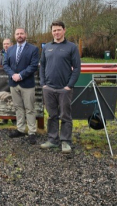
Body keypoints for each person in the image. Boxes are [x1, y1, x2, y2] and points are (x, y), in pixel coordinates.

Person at [39, 21, 81, 154]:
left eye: (58, 30)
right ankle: (52, 140)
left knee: (65, 115)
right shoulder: (46, 47)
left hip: (64, 89)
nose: (56, 33)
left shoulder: (71, 47)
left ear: (64, 30)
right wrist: (43, 84)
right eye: (54, 30)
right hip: (49, 88)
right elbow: (42, 66)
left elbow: (77, 68)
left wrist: (69, 86)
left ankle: (66, 142)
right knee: (52, 115)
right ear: (51, 32)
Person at [3, 28, 39, 144]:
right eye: (17, 34)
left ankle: (32, 132)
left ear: (26, 35)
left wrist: (21, 75)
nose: (19, 35)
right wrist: (13, 74)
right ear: (14, 35)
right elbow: (5, 64)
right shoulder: (10, 49)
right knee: (18, 107)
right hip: (13, 83)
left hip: (27, 84)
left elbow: (34, 66)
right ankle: (21, 129)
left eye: (21, 33)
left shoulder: (33, 49)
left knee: (30, 108)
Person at [0, 38, 14, 125]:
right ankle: (4, 119)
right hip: (1, 81)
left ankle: (14, 119)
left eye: (7, 44)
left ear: (11, 44)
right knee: (3, 99)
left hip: (12, 79)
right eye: (4, 44)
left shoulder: (15, 53)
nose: (6, 45)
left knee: (13, 100)